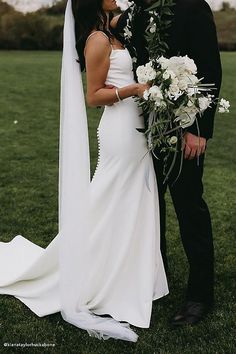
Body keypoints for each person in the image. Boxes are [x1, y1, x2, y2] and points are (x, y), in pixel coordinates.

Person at [0, 0, 168, 342]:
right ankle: (96, 272)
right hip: (121, 129)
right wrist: (135, 89)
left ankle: (131, 274)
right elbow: (94, 95)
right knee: (110, 198)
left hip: (136, 128)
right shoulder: (98, 40)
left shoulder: (113, 33)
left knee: (132, 199)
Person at [113, 0, 222, 327]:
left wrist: (198, 130)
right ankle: (155, 276)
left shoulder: (192, 6)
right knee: (149, 204)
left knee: (189, 206)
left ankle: (200, 295)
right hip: (142, 129)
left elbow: (210, 69)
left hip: (183, 127)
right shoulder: (132, 14)